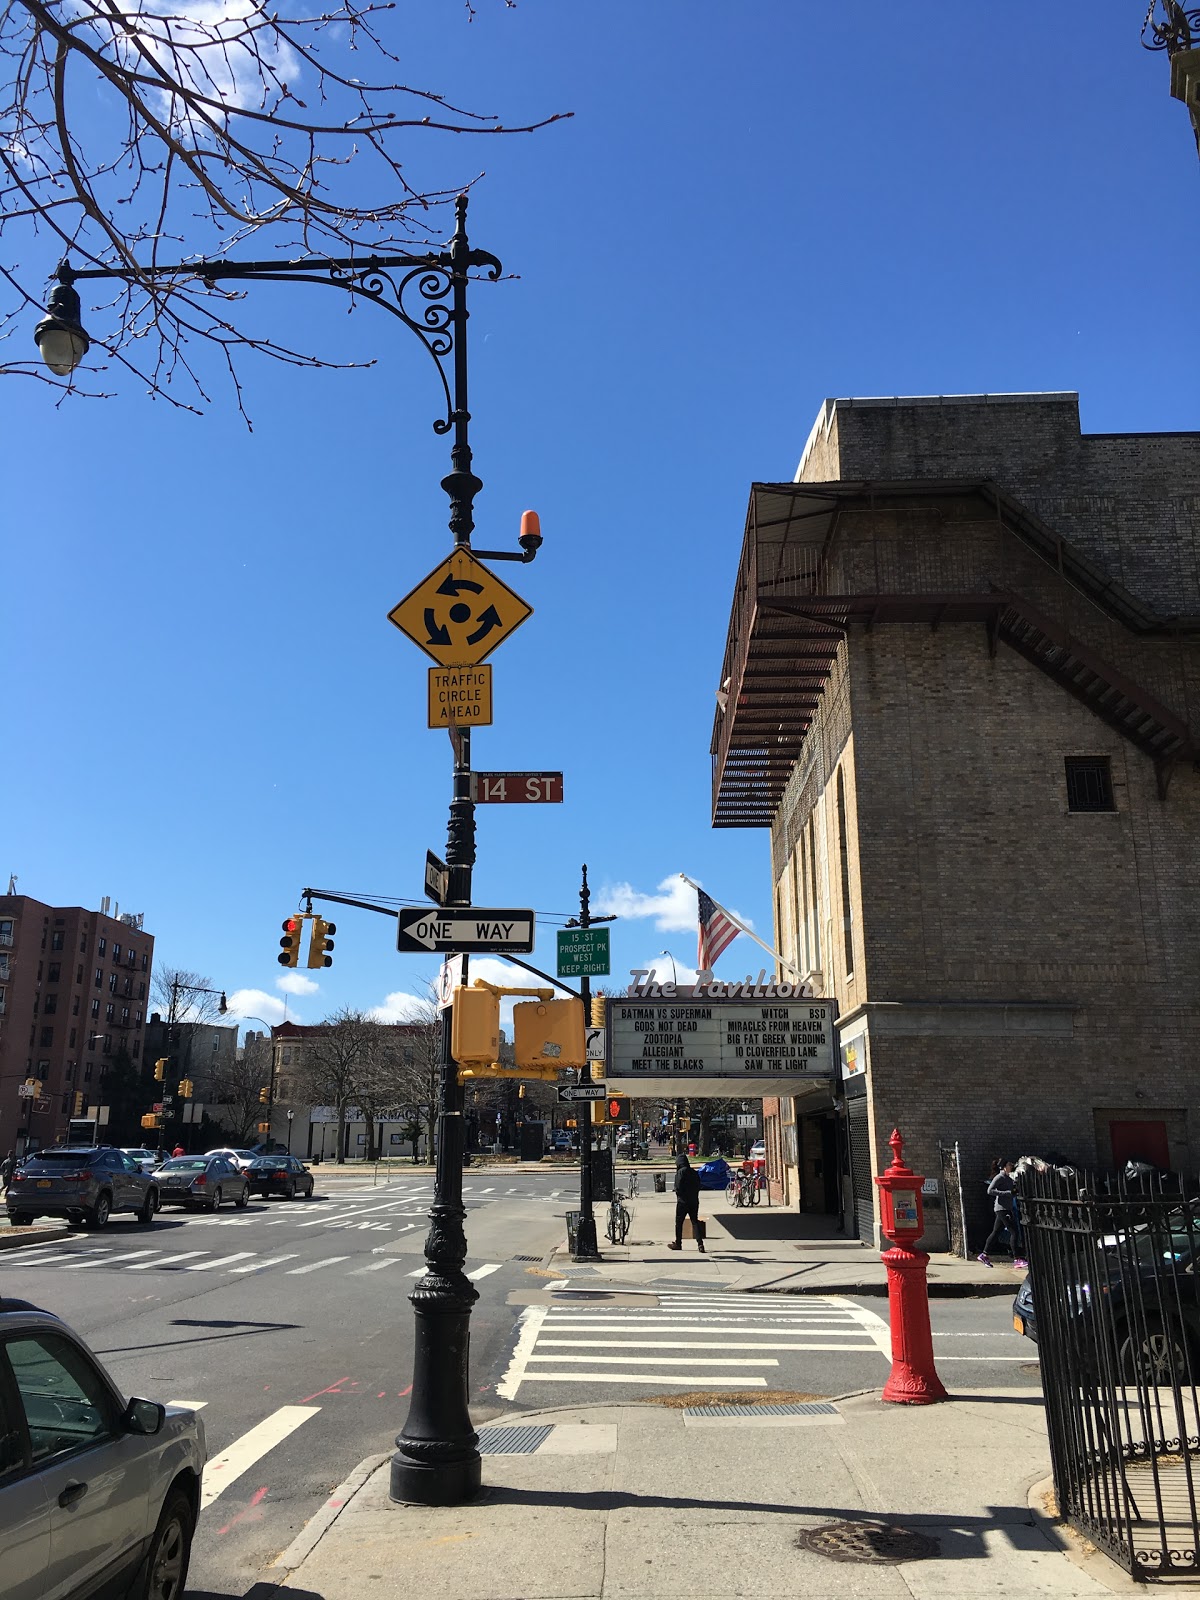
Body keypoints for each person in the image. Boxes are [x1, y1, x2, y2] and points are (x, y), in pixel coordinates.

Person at [978, 1158, 1026, 1269]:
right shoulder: (999, 1177)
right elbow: (990, 1190)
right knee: (1014, 1232)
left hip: (1006, 1208)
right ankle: (1017, 1259)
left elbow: (1011, 1192)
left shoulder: (1009, 1178)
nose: (1011, 1166)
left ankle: (984, 1254)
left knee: (996, 1232)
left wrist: (1014, 1191)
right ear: (1004, 1167)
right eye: (1009, 1165)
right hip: (1002, 1209)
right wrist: (1007, 1193)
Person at [668, 1153, 704, 1253]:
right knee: (695, 1222)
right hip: (694, 1201)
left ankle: (678, 1243)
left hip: (682, 1202)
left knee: (679, 1223)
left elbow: (678, 1187)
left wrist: (679, 1195)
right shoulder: (693, 1172)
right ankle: (700, 1244)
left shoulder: (680, 1172)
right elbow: (699, 1185)